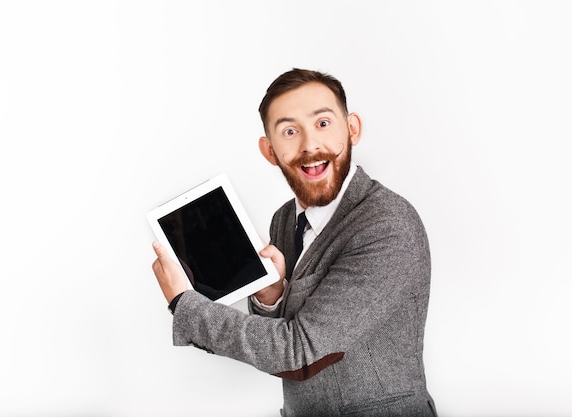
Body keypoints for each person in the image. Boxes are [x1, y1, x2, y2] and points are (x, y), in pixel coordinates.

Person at [151, 68, 437, 417]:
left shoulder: (387, 227)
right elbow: (282, 334)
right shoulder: (284, 219)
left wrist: (185, 304)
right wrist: (271, 296)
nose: (309, 145)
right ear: (269, 151)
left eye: (322, 123)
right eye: (290, 131)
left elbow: (299, 352)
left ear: (352, 129)